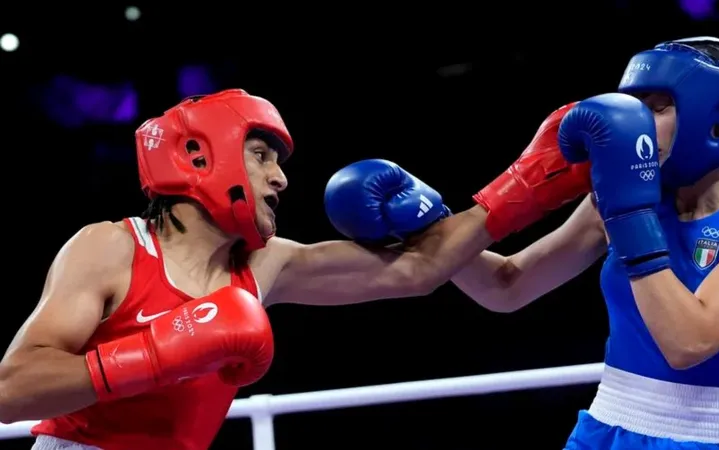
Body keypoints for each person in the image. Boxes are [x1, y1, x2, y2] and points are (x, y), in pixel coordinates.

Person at [0, 89, 591, 450]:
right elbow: (9, 391)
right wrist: (154, 354)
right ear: (200, 156)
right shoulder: (111, 248)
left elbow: (418, 270)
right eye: (261, 157)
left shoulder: (265, 264)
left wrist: (524, 187)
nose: (280, 179)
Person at [452, 37, 719, 449]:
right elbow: (506, 286)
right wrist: (428, 228)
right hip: (604, 429)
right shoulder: (621, 201)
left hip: (715, 439)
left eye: (659, 107)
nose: (639, 124)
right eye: (636, 108)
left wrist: (630, 217)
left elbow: (688, 342)